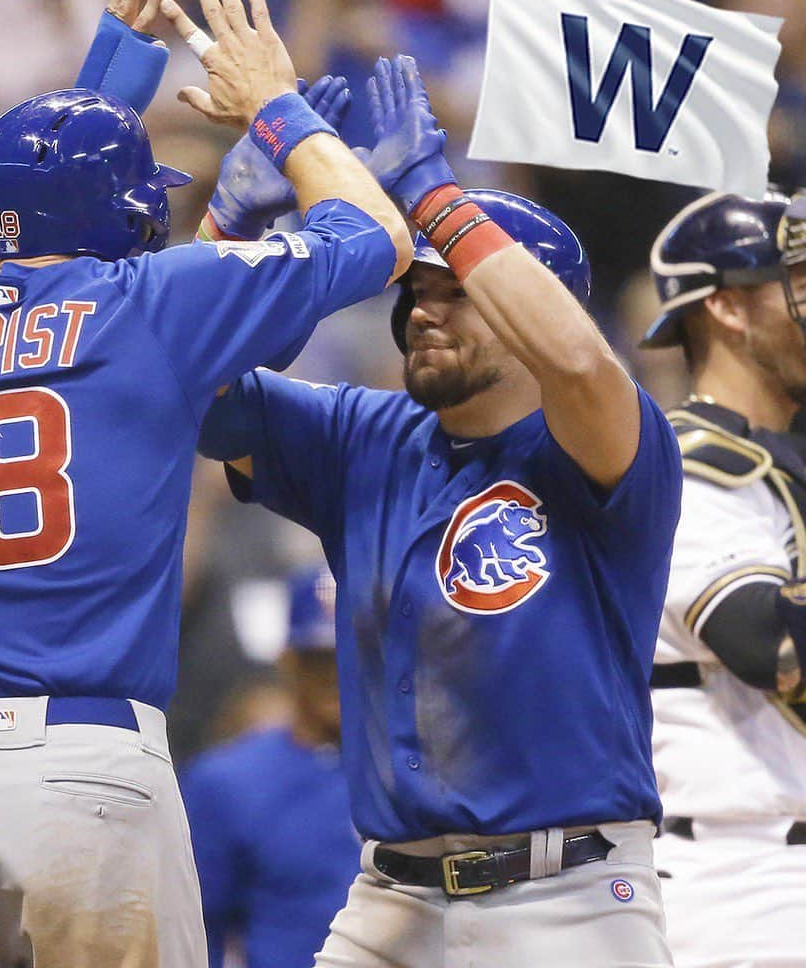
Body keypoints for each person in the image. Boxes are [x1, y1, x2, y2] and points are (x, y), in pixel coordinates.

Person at [0, 0, 412, 968]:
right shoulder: (150, 300)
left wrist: (96, 90)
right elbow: (376, 233)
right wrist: (275, 107)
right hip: (83, 765)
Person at [197, 54, 682, 967]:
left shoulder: (611, 443)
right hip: (390, 898)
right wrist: (232, 234)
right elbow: (194, 393)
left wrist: (436, 197)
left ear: (537, 309)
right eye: (418, 291)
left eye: (457, 291)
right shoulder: (360, 435)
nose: (426, 311)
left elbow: (579, 367)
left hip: (569, 899)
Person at [640, 190, 806, 968]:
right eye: (798, 283)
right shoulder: (690, 467)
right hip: (741, 880)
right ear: (731, 310)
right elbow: (770, 645)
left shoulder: (783, 464)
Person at [182, 565, 360, 968]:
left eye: (350, 655)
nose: (336, 675)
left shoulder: (417, 776)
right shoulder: (225, 781)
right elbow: (198, 929)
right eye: (320, 660)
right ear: (288, 660)